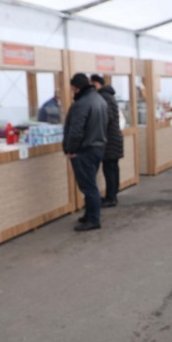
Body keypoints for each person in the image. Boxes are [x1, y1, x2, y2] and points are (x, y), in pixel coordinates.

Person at [63, 73, 107, 232]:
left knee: (89, 187)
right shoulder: (99, 99)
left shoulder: (81, 104)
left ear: (77, 88)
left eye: (72, 88)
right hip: (98, 148)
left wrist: (71, 150)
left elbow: (76, 130)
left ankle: (94, 219)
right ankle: (89, 215)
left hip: (84, 150)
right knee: (90, 184)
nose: (72, 91)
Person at [90, 74, 124, 208]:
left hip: (109, 139)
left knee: (109, 169)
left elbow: (106, 118)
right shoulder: (109, 96)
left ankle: (111, 197)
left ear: (97, 84)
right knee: (113, 168)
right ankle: (113, 194)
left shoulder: (103, 97)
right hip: (114, 138)